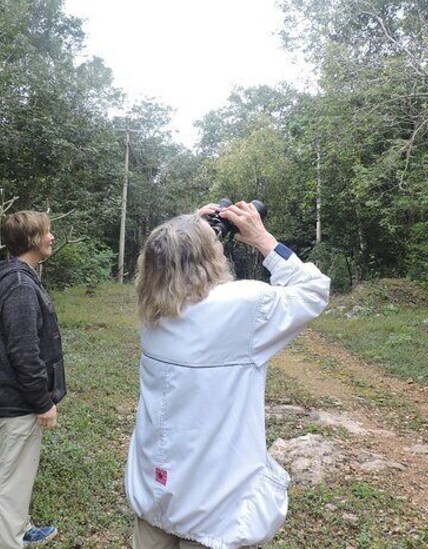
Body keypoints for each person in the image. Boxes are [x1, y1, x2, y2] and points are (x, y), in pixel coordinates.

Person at [125, 201, 331, 549]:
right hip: (214, 511)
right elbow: (313, 290)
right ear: (206, 258)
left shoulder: (153, 310)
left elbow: (169, 253)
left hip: (154, 493)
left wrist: (190, 224)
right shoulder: (243, 307)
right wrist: (262, 238)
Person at [0, 210, 67, 548]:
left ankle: (19, 528)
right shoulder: (19, 285)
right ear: (33, 240)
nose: (51, 237)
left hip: (21, 398)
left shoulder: (23, 277)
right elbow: (23, 353)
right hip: (18, 399)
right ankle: (6, 542)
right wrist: (42, 402)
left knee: (21, 472)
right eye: (47, 232)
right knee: (11, 475)